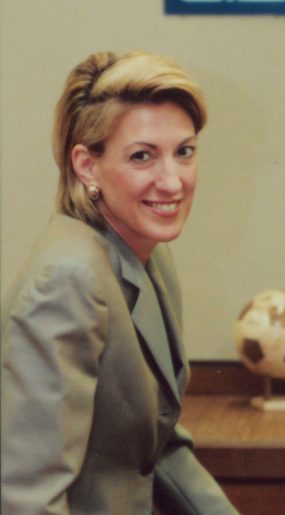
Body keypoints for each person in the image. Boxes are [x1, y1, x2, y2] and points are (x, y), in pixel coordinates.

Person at [1, 51, 239, 514]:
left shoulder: (148, 255)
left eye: (184, 152)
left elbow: (158, 446)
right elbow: (26, 499)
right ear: (87, 166)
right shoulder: (68, 279)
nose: (172, 182)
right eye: (142, 156)